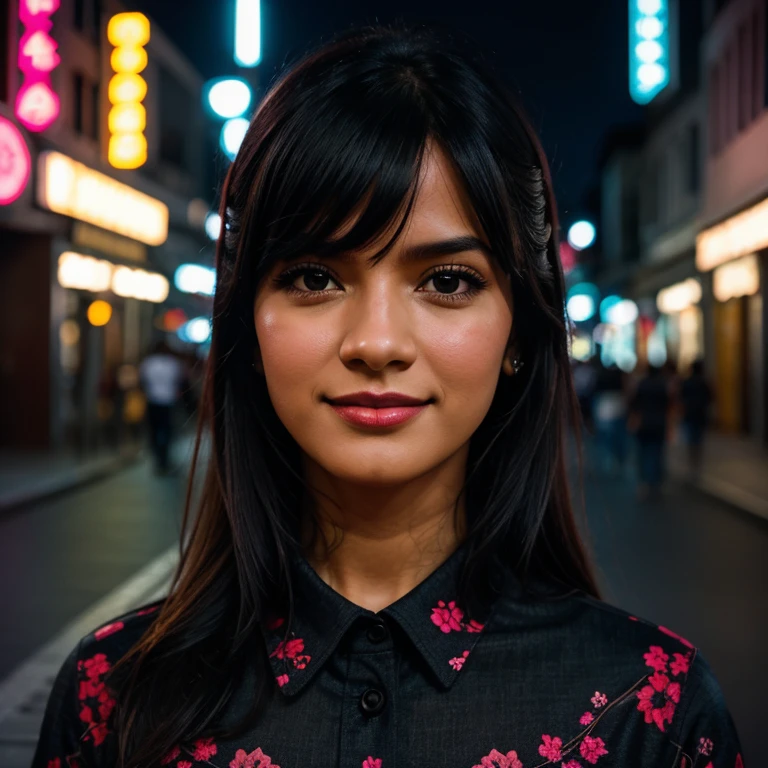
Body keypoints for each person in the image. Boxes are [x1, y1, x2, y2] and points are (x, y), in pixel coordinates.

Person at [33, 26, 743, 768]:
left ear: (520, 336)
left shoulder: (653, 712)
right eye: (314, 276)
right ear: (248, 324)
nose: (376, 342)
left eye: (447, 281)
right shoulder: (111, 699)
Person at [138, 340, 185, 474]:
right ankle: (164, 459)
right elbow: (180, 382)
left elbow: (142, 382)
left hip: (153, 401)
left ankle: (158, 458)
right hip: (168, 402)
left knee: (154, 431)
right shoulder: (173, 364)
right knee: (167, 431)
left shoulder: (148, 363)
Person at [628, 364, 671, 498]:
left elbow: (634, 404)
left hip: (643, 423)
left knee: (643, 453)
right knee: (657, 453)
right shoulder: (663, 386)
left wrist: (633, 421)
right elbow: (668, 406)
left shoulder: (642, 384)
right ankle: (656, 483)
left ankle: (643, 483)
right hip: (659, 423)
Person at [679, 360, 712, 474]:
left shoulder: (687, 382)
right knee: (698, 441)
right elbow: (710, 398)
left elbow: (681, 398)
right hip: (700, 415)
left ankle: (692, 464)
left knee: (691, 441)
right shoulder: (704, 382)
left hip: (689, 415)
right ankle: (696, 464)